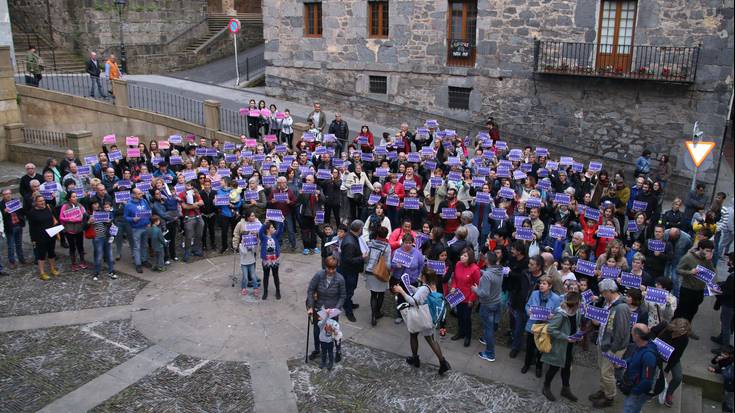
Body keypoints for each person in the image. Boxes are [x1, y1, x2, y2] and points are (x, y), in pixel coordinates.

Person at [393, 267, 451, 375]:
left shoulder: (424, 288)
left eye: (421, 275)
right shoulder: (432, 286)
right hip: (430, 316)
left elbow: (413, 301)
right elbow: (422, 295)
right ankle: (443, 363)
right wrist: (410, 287)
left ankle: (415, 359)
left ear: (424, 277)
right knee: (431, 340)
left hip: (421, 317)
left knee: (413, 334)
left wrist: (401, 291)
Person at [589, 278, 632, 408]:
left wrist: (612, 350)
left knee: (607, 373)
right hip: (603, 341)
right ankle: (603, 390)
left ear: (609, 291)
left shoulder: (621, 308)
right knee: (602, 369)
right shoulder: (608, 302)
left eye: (603, 293)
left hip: (613, 347)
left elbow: (621, 332)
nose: (602, 295)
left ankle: (610, 396)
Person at [541, 291, 582, 402]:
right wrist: (565, 337)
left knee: (566, 368)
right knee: (554, 368)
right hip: (559, 347)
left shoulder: (577, 312)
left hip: (569, 347)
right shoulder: (561, 314)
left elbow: (577, 325)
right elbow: (550, 329)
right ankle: (546, 387)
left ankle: (565, 389)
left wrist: (578, 334)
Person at [306, 256, 347, 363]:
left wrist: (336, 310)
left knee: (334, 331)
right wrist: (310, 306)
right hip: (319, 308)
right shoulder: (319, 275)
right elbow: (310, 290)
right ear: (325, 266)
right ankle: (317, 349)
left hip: (333, 311)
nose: (331, 271)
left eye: (333, 268)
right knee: (316, 331)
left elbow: (343, 296)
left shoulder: (340, 279)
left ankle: (338, 350)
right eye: (329, 268)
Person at [523, 275, 562, 377]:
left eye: (544, 284)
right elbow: (527, 305)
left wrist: (552, 316)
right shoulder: (535, 293)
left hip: (545, 326)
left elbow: (558, 314)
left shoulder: (556, 298)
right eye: (540, 283)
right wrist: (529, 311)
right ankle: (526, 364)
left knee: (541, 348)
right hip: (533, 324)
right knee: (529, 346)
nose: (541, 285)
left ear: (550, 286)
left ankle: (538, 367)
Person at [673, 239, 715, 327]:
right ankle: (673, 329)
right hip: (687, 289)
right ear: (700, 248)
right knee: (682, 311)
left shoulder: (707, 259)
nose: (708, 253)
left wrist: (709, 261)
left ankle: (687, 329)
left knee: (692, 311)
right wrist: (690, 272)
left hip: (699, 290)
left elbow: (712, 272)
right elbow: (678, 270)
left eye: (710, 251)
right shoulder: (688, 257)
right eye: (707, 250)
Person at [473, 251, 504, 362]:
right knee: (493, 324)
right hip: (497, 302)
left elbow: (483, 293)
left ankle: (490, 353)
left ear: (486, 261)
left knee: (488, 329)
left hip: (487, 305)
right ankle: (487, 338)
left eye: (484, 258)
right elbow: (488, 274)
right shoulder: (499, 270)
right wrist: (479, 271)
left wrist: (475, 289)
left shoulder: (487, 275)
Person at [652, 318, 691, 407]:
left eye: (684, 332)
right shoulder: (664, 326)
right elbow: (651, 332)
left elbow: (677, 355)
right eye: (680, 331)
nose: (681, 333)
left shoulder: (684, 339)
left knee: (678, 377)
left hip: (671, 357)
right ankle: (651, 389)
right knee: (654, 371)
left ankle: (669, 393)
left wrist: (667, 370)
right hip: (656, 353)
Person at [622, 324, 658, 413]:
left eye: (632, 332)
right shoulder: (641, 345)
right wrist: (624, 363)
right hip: (635, 386)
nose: (631, 333)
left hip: (638, 391)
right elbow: (635, 358)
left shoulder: (648, 356)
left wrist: (633, 392)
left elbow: (647, 381)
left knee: (629, 408)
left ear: (637, 336)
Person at [390, 232, 425, 324]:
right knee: (401, 297)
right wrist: (396, 265)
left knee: (411, 298)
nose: (408, 244)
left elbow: (421, 265)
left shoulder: (417, 253)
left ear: (412, 243)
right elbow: (390, 265)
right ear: (402, 242)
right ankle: (400, 315)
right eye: (406, 242)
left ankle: (411, 316)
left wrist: (419, 276)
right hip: (399, 279)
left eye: (410, 242)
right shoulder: (396, 252)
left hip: (412, 280)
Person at [450, 247, 481, 347]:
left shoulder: (475, 269)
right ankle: (460, 332)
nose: (462, 257)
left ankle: (468, 336)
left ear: (470, 257)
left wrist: (472, 299)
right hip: (458, 296)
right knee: (459, 316)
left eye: (465, 256)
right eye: (462, 255)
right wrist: (453, 287)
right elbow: (455, 278)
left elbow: (477, 285)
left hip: (468, 298)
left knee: (467, 318)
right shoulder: (458, 264)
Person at [26, 195, 59, 280]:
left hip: (51, 234)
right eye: (40, 201)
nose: (42, 202)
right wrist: (33, 239)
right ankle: (42, 273)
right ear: (35, 202)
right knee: (41, 255)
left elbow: (54, 219)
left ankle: (52, 268)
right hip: (40, 237)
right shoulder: (32, 213)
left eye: (43, 200)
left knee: (52, 253)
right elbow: (31, 228)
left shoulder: (48, 207)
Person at [339, 220, 367, 322]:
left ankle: (348, 303)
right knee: (349, 290)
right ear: (359, 229)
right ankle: (348, 311)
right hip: (349, 271)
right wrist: (362, 257)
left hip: (351, 270)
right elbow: (348, 260)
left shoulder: (351, 236)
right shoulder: (350, 242)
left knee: (350, 289)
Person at [364, 226, 391, 326]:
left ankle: (373, 316)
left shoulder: (370, 243)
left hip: (370, 272)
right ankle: (377, 312)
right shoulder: (387, 247)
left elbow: (366, 259)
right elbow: (388, 264)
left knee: (373, 295)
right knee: (381, 295)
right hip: (381, 273)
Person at [233, 210, 261, 296]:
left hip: (254, 246)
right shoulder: (241, 224)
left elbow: (262, 231)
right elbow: (236, 234)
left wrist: (257, 233)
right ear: (247, 217)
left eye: (254, 216)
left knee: (253, 261)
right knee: (246, 263)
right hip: (244, 246)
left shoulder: (257, 222)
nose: (253, 218)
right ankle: (248, 280)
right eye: (251, 216)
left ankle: (253, 278)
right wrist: (235, 244)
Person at [124, 188, 152, 273]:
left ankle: (144, 260)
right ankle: (138, 264)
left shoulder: (144, 201)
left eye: (141, 193)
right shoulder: (128, 205)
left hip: (145, 226)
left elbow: (148, 210)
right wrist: (133, 219)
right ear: (134, 195)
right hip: (136, 228)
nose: (141, 195)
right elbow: (125, 217)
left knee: (145, 245)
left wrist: (149, 221)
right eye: (139, 194)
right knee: (137, 247)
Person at [59, 191, 88, 270]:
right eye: (73, 197)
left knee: (80, 246)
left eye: (76, 196)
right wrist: (70, 220)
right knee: (72, 247)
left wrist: (80, 219)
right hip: (69, 230)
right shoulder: (65, 206)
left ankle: (82, 261)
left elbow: (84, 215)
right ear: (69, 198)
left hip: (79, 229)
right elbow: (61, 217)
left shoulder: (80, 205)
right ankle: (73, 263)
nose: (75, 198)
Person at [88, 200, 116, 280]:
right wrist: (89, 222)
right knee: (98, 256)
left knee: (110, 255)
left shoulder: (106, 213)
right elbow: (85, 226)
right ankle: (96, 272)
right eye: (94, 204)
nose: (96, 205)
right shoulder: (91, 214)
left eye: (96, 204)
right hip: (97, 238)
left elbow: (113, 222)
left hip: (107, 236)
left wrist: (110, 222)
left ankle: (111, 271)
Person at [179, 180, 204, 262]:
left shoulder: (195, 193)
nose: (188, 186)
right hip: (188, 217)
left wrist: (192, 204)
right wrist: (195, 205)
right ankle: (187, 252)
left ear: (192, 186)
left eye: (189, 185)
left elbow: (202, 203)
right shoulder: (181, 194)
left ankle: (196, 249)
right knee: (189, 236)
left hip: (198, 216)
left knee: (199, 234)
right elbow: (184, 207)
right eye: (186, 184)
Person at [258, 220, 284, 300]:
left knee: (276, 275)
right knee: (266, 276)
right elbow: (260, 232)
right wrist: (264, 223)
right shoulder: (263, 237)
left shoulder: (275, 236)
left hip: (274, 259)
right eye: (272, 227)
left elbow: (280, 230)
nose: (274, 229)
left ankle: (278, 291)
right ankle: (265, 292)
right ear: (267, 229)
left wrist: (281, 222)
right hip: (266, 260)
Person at [1, 189, 27, 267]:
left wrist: (21, 208)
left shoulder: (15, 201)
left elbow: (21, 212)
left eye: (9, 193)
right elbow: (0, 217)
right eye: (6, 194)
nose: (8, 195)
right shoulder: (1, 205)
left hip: (18, 225)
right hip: (10, 227)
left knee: (19, 244)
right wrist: (4, 212)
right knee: (11, 245)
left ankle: (21, 259)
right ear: (3, 195)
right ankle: (12, 262)